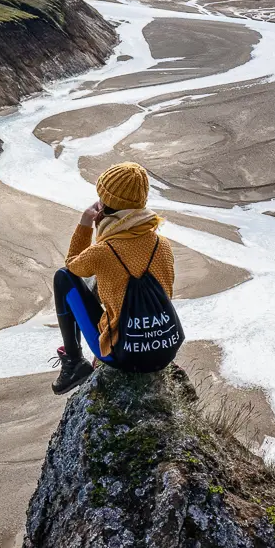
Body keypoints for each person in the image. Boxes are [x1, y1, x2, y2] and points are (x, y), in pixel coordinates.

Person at [51, 161, 175, 394]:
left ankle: (73, 362)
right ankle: (158, 359)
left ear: (106, 204)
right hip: (164, 351)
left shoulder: (104, 251)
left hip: (124, 357)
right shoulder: (163, 245)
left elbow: (72, 265)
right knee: (110, 282)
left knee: (63, 277)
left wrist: (86, 224)